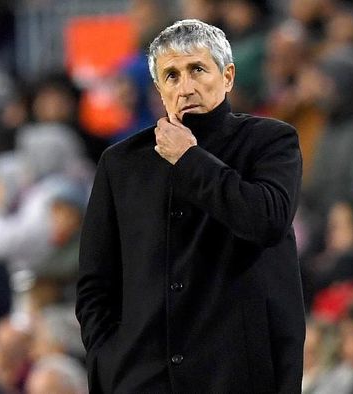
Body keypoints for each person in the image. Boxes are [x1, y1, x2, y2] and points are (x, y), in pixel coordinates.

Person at [76, 19, 304, 393]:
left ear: (227, 76)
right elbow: (95, 281)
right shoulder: (120, 163)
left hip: (239, 377)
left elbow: (267, 220)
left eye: (197, 69)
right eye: (171, 75)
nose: (185, 86)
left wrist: (189, 159)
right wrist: (109, 360)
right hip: (142, 377)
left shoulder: (270, 141)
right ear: (158, 89)